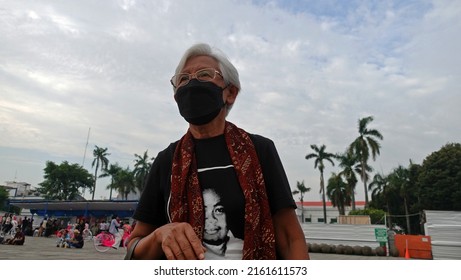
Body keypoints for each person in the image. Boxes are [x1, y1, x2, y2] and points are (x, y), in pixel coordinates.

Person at [126, 43, 309, 260]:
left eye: (204, 74)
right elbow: (134, 246)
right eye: (183, 79)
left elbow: (290, 238)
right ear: (176, 97)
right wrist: (160, 235)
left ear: (230, 93)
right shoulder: (167, 160)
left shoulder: (260, 151)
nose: (192, 83)